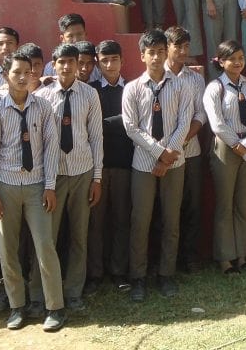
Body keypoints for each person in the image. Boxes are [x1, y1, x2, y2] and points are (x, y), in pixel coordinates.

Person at [0, 50, 65, 332]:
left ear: (33, 73)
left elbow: (51, 150)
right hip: (6, 187)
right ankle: (17, 307)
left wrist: (50, 186)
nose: (21, 77)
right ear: (6, 76)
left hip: (36, 187)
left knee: (44, 246)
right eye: (15, 72)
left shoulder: (43, 108)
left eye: (26, 72)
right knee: (8, 250)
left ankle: (53, 307)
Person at [28, 43, 104, 312]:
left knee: (79, 237)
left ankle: (73, 292)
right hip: (53, 176)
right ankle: (39, 294)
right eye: (61, 62)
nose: (67, 67)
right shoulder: (43, 97)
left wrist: (96, 178)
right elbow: (37, 141)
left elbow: (96, 137)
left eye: (72, 62)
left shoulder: (89, 95)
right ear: (54, 64)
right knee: (47, 238)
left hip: (83, 171)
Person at [122, 29, 194, 302]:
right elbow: (131, 127)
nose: (156, 57)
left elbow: (183, 123)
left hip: (175, 163)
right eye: (151, 52)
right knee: (140, 221)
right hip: (143, 164)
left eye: (161, 52)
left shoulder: (181, 86)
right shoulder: (132, 88)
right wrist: (158, 152)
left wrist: (168, 156)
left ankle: (166, 274)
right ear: (142, 56)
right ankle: (138, 277)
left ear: (167, 54)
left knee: (171, 220)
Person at [203, 40, 246, 274]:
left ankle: (241, 256)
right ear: (220, 61)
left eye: (241, 57)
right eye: (232, 58)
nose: (237, 62)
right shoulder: (215, 88)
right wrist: (239, 147)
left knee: (242, 203)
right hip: (226, 149)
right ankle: (225, 258)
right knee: (225, 204)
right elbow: (217, 124)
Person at [87, 40, 133, 292]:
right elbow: (89, 126)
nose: (110, 64)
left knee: (121, 219)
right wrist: (120, 122)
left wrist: (104, 124)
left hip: (126, 162)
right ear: (98, 62)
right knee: (96, 222)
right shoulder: (92, 90)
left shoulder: (132, 89)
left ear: (122, 60)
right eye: (104, 60)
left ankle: (119, 271)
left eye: (114, 59)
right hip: (98, 166)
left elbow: (134, 123)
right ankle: (95, 273)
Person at [165, 26, 208, 273]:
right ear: (167, 47)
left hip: (189, 151)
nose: (182, 51)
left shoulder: (195, 78)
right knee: (168, 208)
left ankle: (189, 257)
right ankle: (167, 259)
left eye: (185, 47)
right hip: (163, 154)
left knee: (192, 205)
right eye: (177, 46)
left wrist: (181, 140)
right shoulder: (158, 76)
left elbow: (200, 114)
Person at [0, 26, 20, 92]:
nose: (5, 47)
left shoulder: (29, 73)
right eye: (0, 44)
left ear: (17, 46)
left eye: (10, 43)